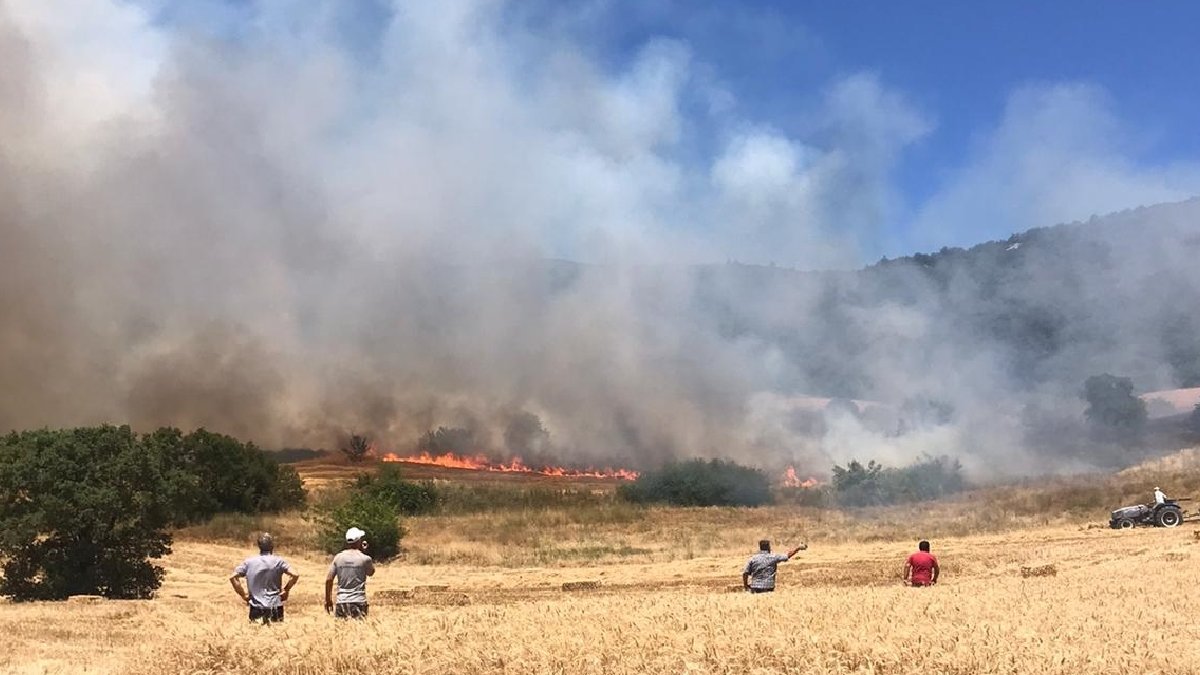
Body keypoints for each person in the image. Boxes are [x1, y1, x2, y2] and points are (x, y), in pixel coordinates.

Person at [229, 533, 299, 624]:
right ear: (272, 546)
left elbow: (233, 577)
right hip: (275, 606)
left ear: (259, 546)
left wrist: (243, 595)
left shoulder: (249, 562)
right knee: (276, 635)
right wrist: (286, 590)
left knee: (257, 635)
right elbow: (295, 575)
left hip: (256, 607)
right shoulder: (279, 561)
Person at [325, 527, 376, 619]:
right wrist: (364, 552)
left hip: (341, 601)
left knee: (341, 632)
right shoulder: (365, 558)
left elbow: (329, 579)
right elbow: (371, 572)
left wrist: (328, 600)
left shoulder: (338, 557)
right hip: (359, 601)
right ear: (359, 541)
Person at [742, 539, 806, 593]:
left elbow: (745, 572)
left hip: (755, 587)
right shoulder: (773, 557)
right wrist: (798, 548)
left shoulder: (753, 558)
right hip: (769, 587)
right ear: (768, 547)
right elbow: (787, 555)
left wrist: (746, 586)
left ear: (760, 547)